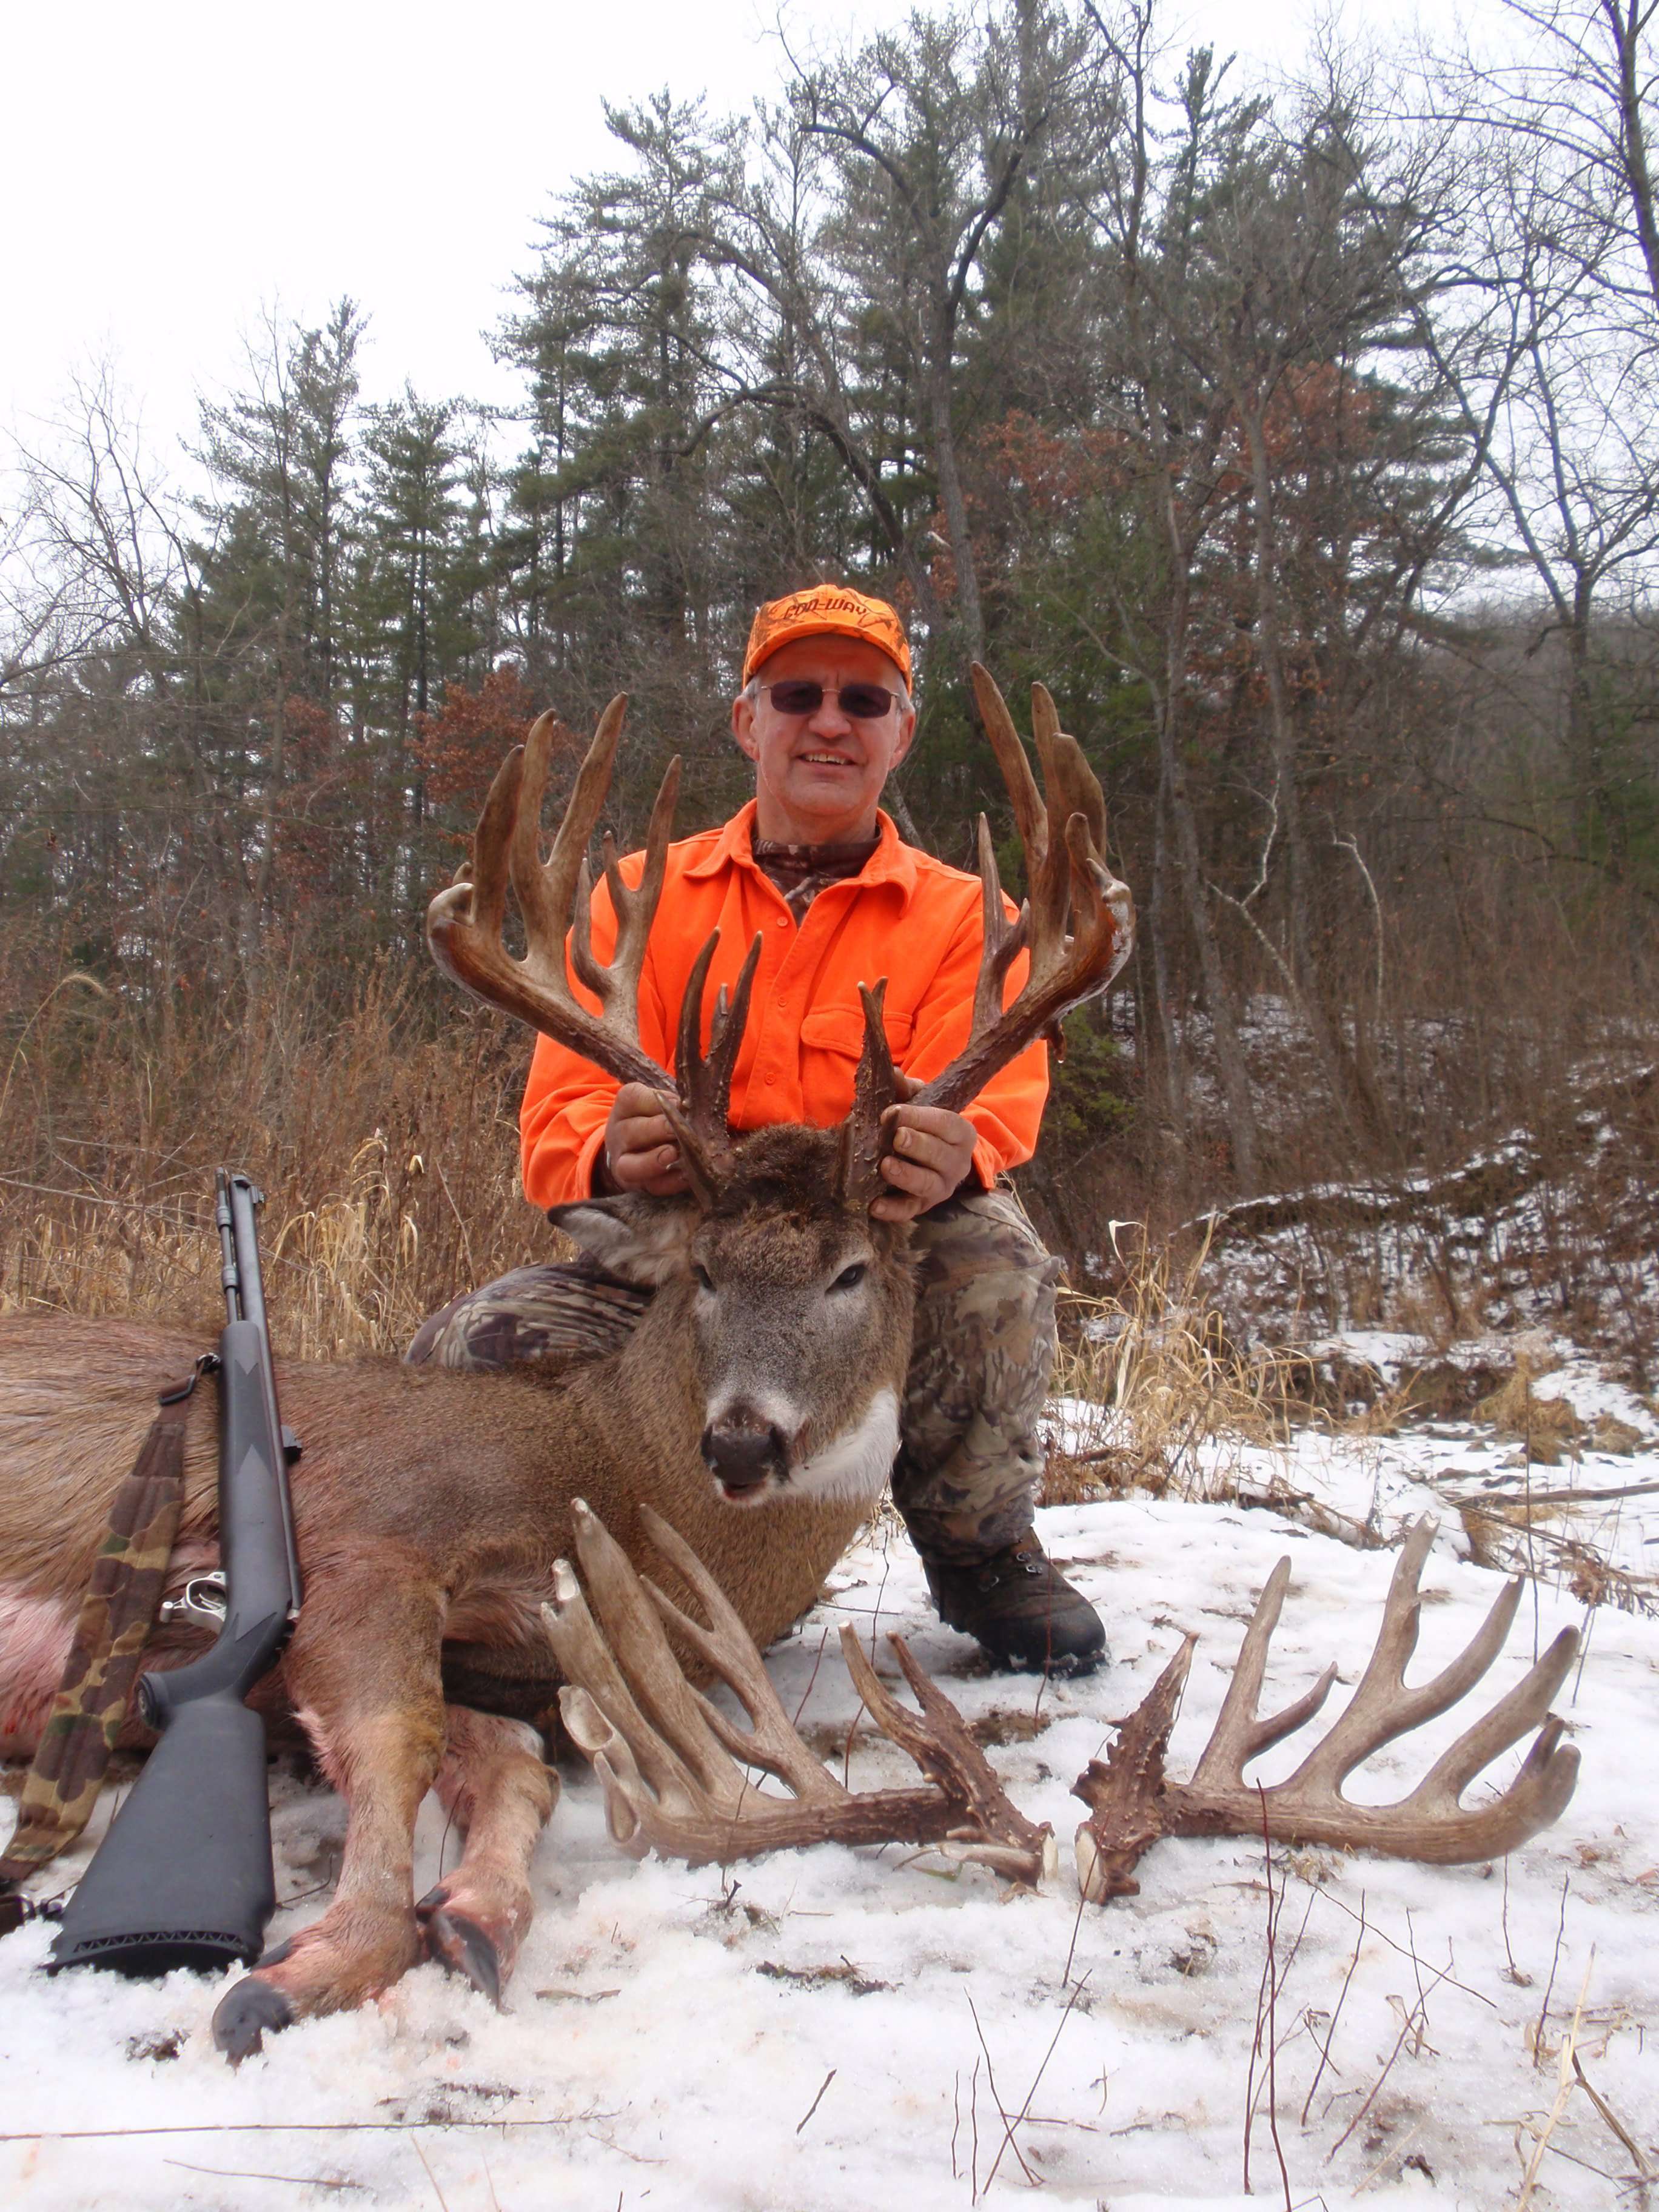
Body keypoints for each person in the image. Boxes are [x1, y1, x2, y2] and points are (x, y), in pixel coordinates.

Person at [408, 584, 1107, 1675]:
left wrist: (953, 1149)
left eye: (864, 700)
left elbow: (1002, 1103)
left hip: (873, 1241)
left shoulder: (968, 919)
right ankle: (599, 1539)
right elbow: (555, 1121)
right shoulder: (641, 895)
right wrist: (613, 1146)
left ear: (901, 734)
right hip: (695, 1251)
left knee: (997, 1266)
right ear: (749, 721)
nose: (830, 721)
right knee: (472, 1347)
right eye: (798, 693)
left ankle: (981, 1547)